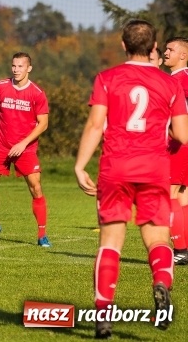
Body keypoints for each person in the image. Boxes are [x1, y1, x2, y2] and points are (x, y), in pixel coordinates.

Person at [74, 20, 188, 338]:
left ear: (123, 46)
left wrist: (80, 165)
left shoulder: (107, 78)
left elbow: (96, 126)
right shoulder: (171, 85)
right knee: (157, 240)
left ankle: (103, 315)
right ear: (153, 48)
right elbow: (182, 134)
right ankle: (162, 285)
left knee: (110, 243)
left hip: (115, 168)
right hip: (154, 169)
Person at [0, 52, 50, 247]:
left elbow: (43, 124)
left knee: (36, 188)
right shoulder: (1, 86)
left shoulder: (37, 93)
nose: (16, 70)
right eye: (14, 66)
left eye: (20, 66)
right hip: (1, 145)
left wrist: (23, 143)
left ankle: (42, 234)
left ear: (29, 68)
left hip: (25, 149)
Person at [163, 36, 188, 265]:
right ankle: (185, 247)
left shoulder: (180, 80)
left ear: (183, 55)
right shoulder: (177, 79)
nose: (165, 52)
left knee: (169, 194)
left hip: (179, 145)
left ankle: (180, 249)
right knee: (181, 195)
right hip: (182, 145)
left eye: (171, 49)